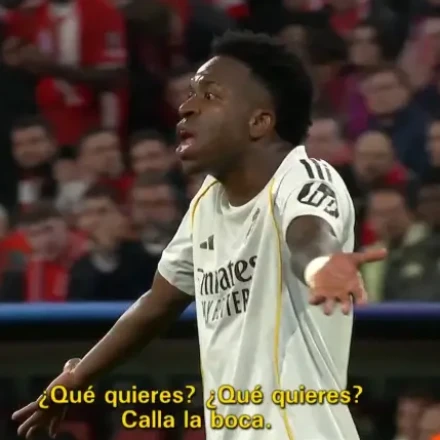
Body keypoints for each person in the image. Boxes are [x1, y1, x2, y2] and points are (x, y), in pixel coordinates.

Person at [12, 30, 386, 440]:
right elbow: (157, 304)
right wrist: (77, 378)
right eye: (190, 93)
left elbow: (309, 233)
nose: (186, 107)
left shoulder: (305, 177)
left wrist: (320, 266)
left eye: (209, 95)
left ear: (259, 122)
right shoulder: (208, 200)